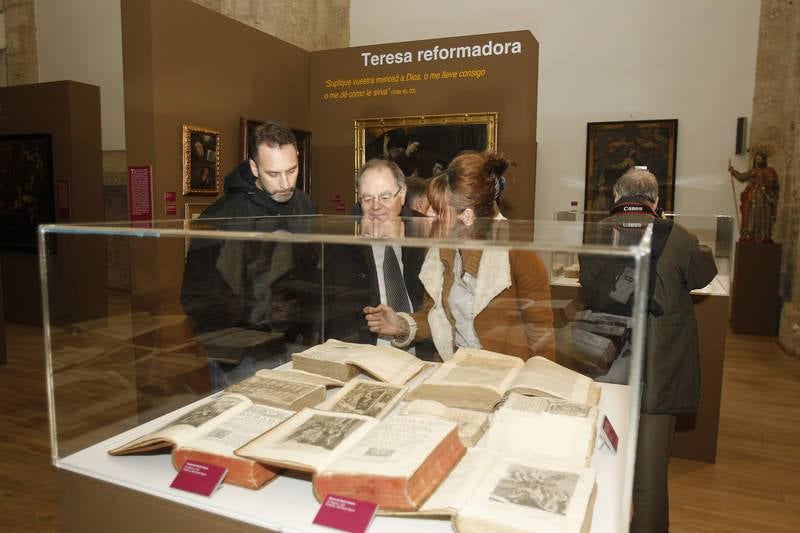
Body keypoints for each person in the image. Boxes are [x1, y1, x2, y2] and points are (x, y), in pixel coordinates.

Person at [580, 168, 717, 532]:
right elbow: (705, 273)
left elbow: (588, 287)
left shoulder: (597, 232)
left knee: (602, 459)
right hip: (660, 364)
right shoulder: (680, 237)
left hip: (607, 361)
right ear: (656, 201)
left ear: (615, 195)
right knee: (651, 473)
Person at [363, 151, 556, 361]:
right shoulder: (441, 252)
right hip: (455, 369)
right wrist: (400, 325)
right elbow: (435, 317)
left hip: (505, 375)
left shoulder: (518, 253)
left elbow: (541, 333)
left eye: (439, 211)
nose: (430, 216)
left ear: (467, 216)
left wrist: (534, 388)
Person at [181, 122, 317, 389]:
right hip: (244, 357)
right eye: (273, 174)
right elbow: (196, 295)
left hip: (296, 345)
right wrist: (231, 356)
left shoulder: (305, 205)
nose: (285, 183)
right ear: (254, 168)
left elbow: (312, 273)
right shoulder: (222, 217)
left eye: (292, 171)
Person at [323, 159, 429, 355]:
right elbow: (339, 311)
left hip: (421, 348)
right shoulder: (344, 239)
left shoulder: (425, 229)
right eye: (367, 198)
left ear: (403, 194)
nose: (376, 206)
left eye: (385, 197)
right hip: (368, 352)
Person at [728, 150, 779, 243]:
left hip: (764, 199)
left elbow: (773, 184)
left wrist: (763, 180)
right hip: (752, 199)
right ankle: (751, 235)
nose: (757, 161)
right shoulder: (752, 171)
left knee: (764, 216)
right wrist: (733, 171)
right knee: (751, 217)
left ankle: (764, 236)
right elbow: (742, 177)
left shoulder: (770, 170)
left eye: (759, 159)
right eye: (756, 160)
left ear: (764, 161)